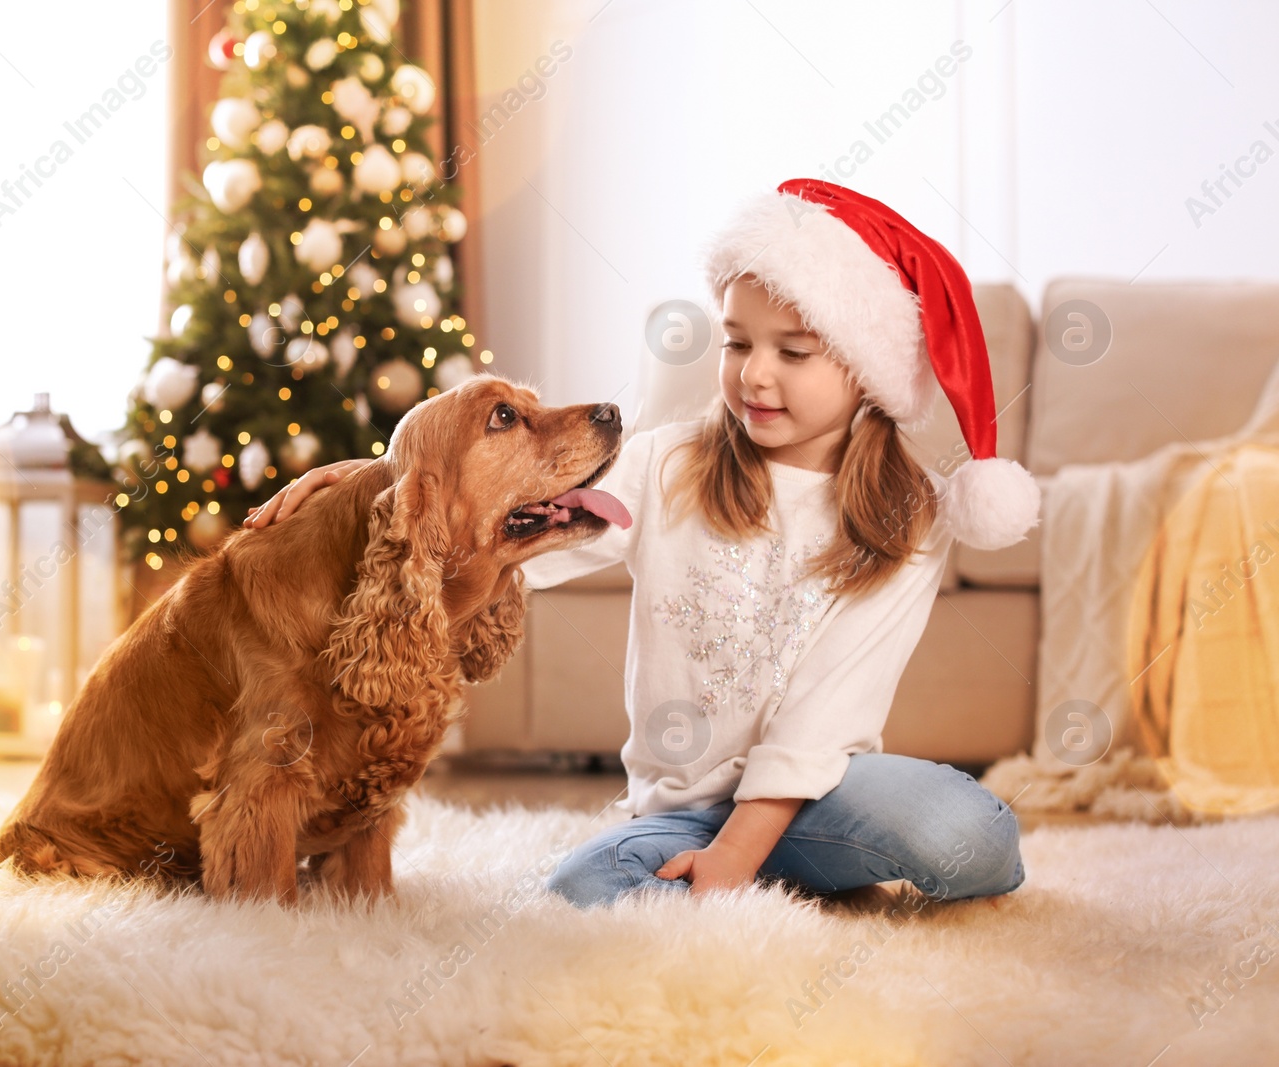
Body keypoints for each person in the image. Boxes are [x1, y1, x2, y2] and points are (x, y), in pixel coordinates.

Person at [242, 179, 1041, 909]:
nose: (755, 376)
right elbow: (499, 524)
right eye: (736, 343)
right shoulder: (670, 465)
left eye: (792, 352)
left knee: (971, 837)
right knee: (581, 889)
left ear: (865, 373)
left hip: (828, 792)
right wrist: (373, 481)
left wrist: (740, 852)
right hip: (680, 811)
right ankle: (776, 879)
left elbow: (825, 712)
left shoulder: (910, 518)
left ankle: (768, 866)